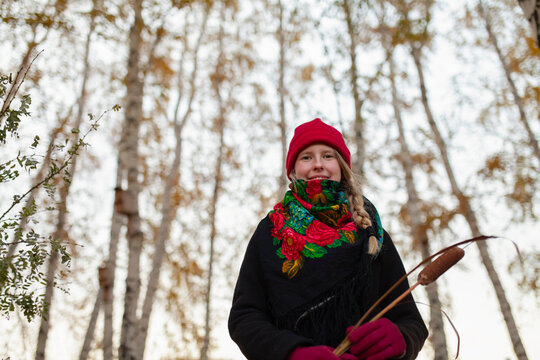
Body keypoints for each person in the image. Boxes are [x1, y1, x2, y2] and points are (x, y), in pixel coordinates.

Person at [228, 118, 428, 360]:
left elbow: (411, 321)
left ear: (342, 166)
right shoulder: (270, 232)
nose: (318, 165)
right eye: (306, 157)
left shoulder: (372, 234)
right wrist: (293, 353)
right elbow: (245, 316)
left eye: (328, 156)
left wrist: (402, 339)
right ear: (292, 172)